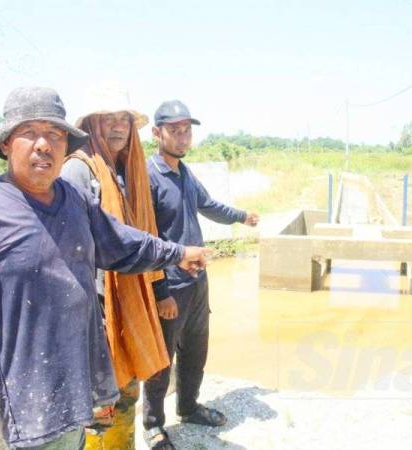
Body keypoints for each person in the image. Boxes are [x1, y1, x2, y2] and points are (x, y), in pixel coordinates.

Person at [0, 87, 208, 450]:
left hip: (81, 394)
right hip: (29, 409)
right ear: (5, 144)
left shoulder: (74, 199)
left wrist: (177, 252)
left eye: (55, 134)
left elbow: (123, 244)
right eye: (30, 132)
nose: (44, 144)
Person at [61, 88, 175, 449]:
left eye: (123, 119)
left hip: (126, 303)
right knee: (101, 406)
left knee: (126, 393)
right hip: (98, 313)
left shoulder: (123, 171)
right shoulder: (78, 170)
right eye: (107, 119)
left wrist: (158, 289)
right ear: (91, 124)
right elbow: (70, 252)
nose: (118, 127)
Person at [142, 100, 259, 449]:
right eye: (174, 130)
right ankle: (153, 424)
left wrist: (241, 216)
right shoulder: (148, 176)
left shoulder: (184, 173)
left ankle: (189, 407)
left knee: (196, 350)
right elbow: (146, 239)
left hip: (197, 282)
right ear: (156, 133)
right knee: (162, 360)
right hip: (170, 286)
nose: (182, 137)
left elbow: (208, 206)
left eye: (186, 130)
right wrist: (160, 291)